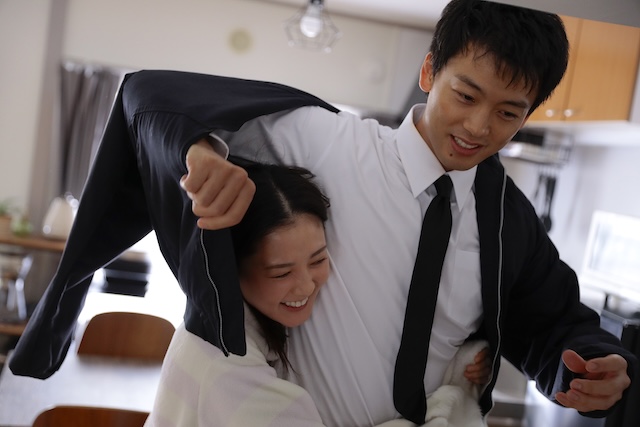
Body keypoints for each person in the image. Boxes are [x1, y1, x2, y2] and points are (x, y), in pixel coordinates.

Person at [9, 1, 636, 426]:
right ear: (429, 71)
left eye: (508, 113)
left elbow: (552, 321)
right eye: (466, 95)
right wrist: (199, 151)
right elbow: (148, 96)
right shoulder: (321, 141)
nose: (478, 127)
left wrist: (587, 363)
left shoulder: (508, 218)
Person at [146, 159, 491, 426]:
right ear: (232, 268)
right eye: (281, 272)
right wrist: (451, 398)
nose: (306, 286)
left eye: (318, 260)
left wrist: (461, 361)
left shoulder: (220, 323)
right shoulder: (228, 364)